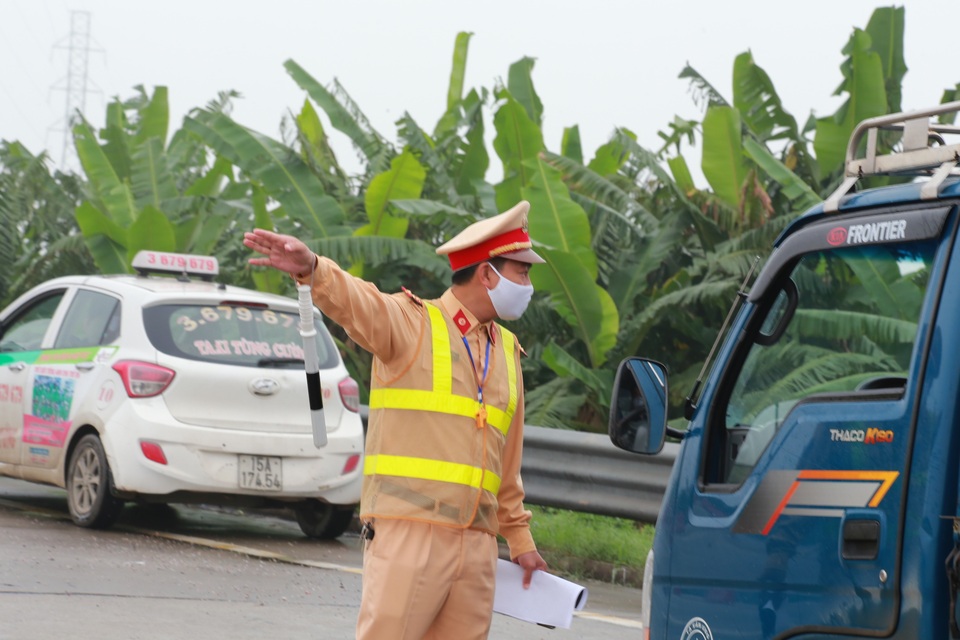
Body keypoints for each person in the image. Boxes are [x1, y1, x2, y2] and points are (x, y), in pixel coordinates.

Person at [244, 200, 549, 639]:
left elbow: (508, 462)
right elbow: (360, 303)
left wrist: (519, 542)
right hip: (409, 535)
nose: (528, 283)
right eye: (522, 271)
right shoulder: (413, 323)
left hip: (477, 547)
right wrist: (313, 267)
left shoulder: (507, 350)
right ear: (487, 273)